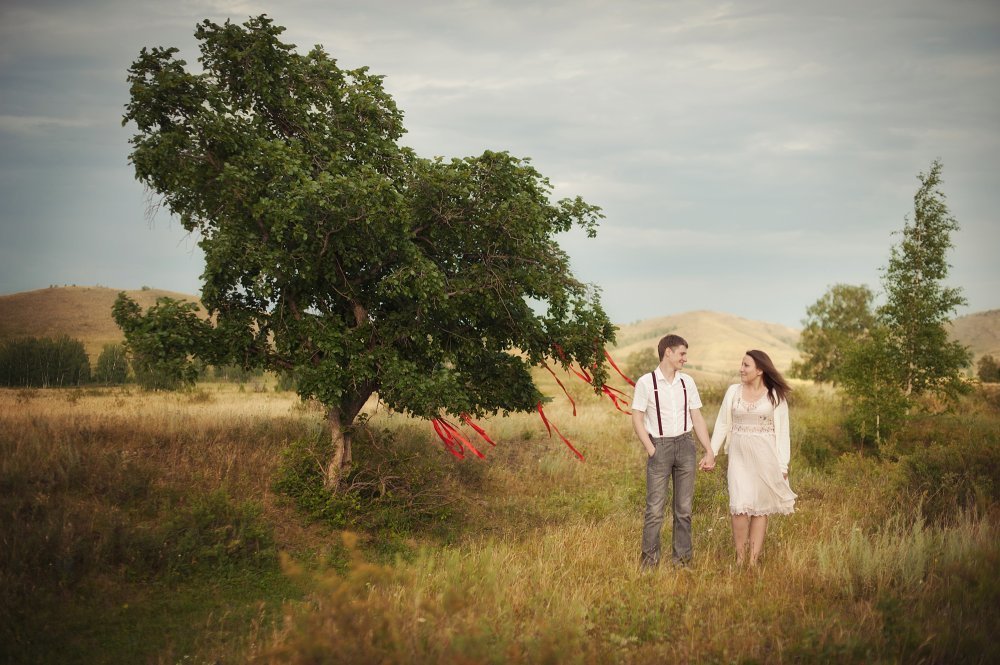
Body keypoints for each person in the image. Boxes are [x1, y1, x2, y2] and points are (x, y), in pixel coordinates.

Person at [631, 334, 715, 568]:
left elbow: (696, 416)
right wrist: (651, 448)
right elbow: (636, 417)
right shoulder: (646, 382)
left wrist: (708, 450)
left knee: (684, 510)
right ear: (668, 352)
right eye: (682, 353)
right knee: (655, 509)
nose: (685, 359)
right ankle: (649, 564)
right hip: (660, 447)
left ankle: (682, 562)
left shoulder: (687, 382)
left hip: (686, 445)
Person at [710, 350, 797, 567]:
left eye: (746, 365)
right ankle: (740, 558)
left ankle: (753, 560)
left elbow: (783, 433)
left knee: (760, 508)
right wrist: (711, 452)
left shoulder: (775, 396)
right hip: (738, 457)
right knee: (739, 506)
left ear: (759, 370)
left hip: (765, 458)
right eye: (741, 364)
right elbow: (722, 424)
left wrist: (782, 465)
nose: (741, 369)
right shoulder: (733, 392)